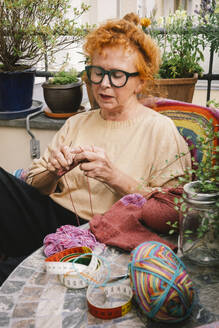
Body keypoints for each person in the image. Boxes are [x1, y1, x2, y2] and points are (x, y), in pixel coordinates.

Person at [0, 13, 191, 285]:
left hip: (104, 233)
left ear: (141, 81)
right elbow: (34, 186)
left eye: (117, 76)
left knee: (9, 274)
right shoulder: (76, 123)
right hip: (49, 218)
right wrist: (53, 173)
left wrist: (114, 176)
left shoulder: (160, 131)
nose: (103, 84)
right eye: (98, 72)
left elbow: (174, 213)